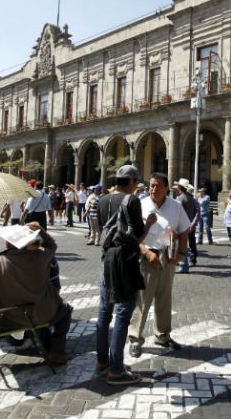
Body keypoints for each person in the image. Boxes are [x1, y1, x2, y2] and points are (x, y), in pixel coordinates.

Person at [0, 221, 72, 364]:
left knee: (45, 311)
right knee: (65, 310)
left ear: (8, 244)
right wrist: (40, 231)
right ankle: (57, 351)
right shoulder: (40, 257)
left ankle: (49, 349)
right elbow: (52, 245)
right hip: (38, 313)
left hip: (8, 319)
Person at [96, 164, 156, 385]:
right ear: (130, 181)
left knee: (104, 312)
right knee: (122, 314)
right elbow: (137, 238)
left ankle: (102, 361)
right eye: (136, 181)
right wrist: (149, 224)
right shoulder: (132, 200)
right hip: (125, 263)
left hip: (106, 261)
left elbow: (102, 231)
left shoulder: (102, 200)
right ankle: (116, 370)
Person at [128, 172, 190, 358]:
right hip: (147, 256)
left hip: (168, 256)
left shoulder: (176, 207)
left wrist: (181, 254)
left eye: (157, 185)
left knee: (164, 299)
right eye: (151, 185)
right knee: (142, 299)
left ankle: (162, 335)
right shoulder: (140, 204)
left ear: (166, 188)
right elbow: (132, 236)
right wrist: (146, 253)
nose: (153, 189)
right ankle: (135, 338)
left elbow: (185, 230)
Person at [173, 178, 198, 273]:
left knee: (180, 246)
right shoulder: (191, 197)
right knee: (185, 245)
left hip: (181, 225)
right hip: (189, 223)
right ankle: (182, 263)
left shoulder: (180, 198)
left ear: (179, 187)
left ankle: (183, 266)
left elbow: (176, 213)